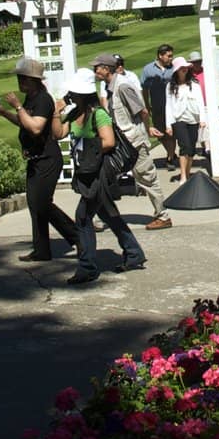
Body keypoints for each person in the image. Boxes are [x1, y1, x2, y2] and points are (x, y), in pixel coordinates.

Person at [60, 67, 147, 285]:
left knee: (82, 217)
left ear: (83, 94)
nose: (71, 95)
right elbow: (58, 133)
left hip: (99, 172)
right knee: (108, 213)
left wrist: (87, 147)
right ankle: (134, 253)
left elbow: (108, 142)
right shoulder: (74, 114)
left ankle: (87, 267)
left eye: (74, 92)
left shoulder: (98, 114)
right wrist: (56, 109)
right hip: (86, 172)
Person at [0, 56, 79, 262]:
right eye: (19, 78)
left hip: (48, 158)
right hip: (35, 159)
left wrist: (17, 107)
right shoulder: (31, 98)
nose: (20, 82)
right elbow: (25, 124)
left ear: (35, 80)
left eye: (24, 79)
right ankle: (41, 249)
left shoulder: (43, 99)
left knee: (42, 203)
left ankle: (77, 237)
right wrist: (5, 113)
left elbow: (36, 127)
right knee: (34, 204)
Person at [92, 53, 173, 231]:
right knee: (104, 177)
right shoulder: (110, 87)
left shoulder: (123, 87)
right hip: (122, 142)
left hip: (134, 142)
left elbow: (142, 111)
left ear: (107, 69)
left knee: (146, 178)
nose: (95, 70)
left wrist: (146, 130)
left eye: (97, 67)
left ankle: (163, 215)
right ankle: (101, 216)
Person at [165, 57, 207, 181]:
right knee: (184, 146)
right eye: (181, 68)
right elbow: (168, 105)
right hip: (179, 119)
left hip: (193, 118)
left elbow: (200, 102)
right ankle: (183, 175)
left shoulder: (194, 84)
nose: (184, 70)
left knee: (192, 148)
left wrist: (202, 119)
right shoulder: (170, 86)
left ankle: (187, 173)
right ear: (176, 71)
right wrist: (168, 125)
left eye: (185, 68)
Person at [141, 43, 176, 167]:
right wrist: (146, 104)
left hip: (172, 106)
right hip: (157, 106)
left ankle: (170, 158)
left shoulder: (173, 68)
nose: (171, 58)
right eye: (169, 56)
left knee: (171, 133)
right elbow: (144, 89)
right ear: (160, 56)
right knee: (160, 134)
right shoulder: (148, 69)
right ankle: (171, 152)